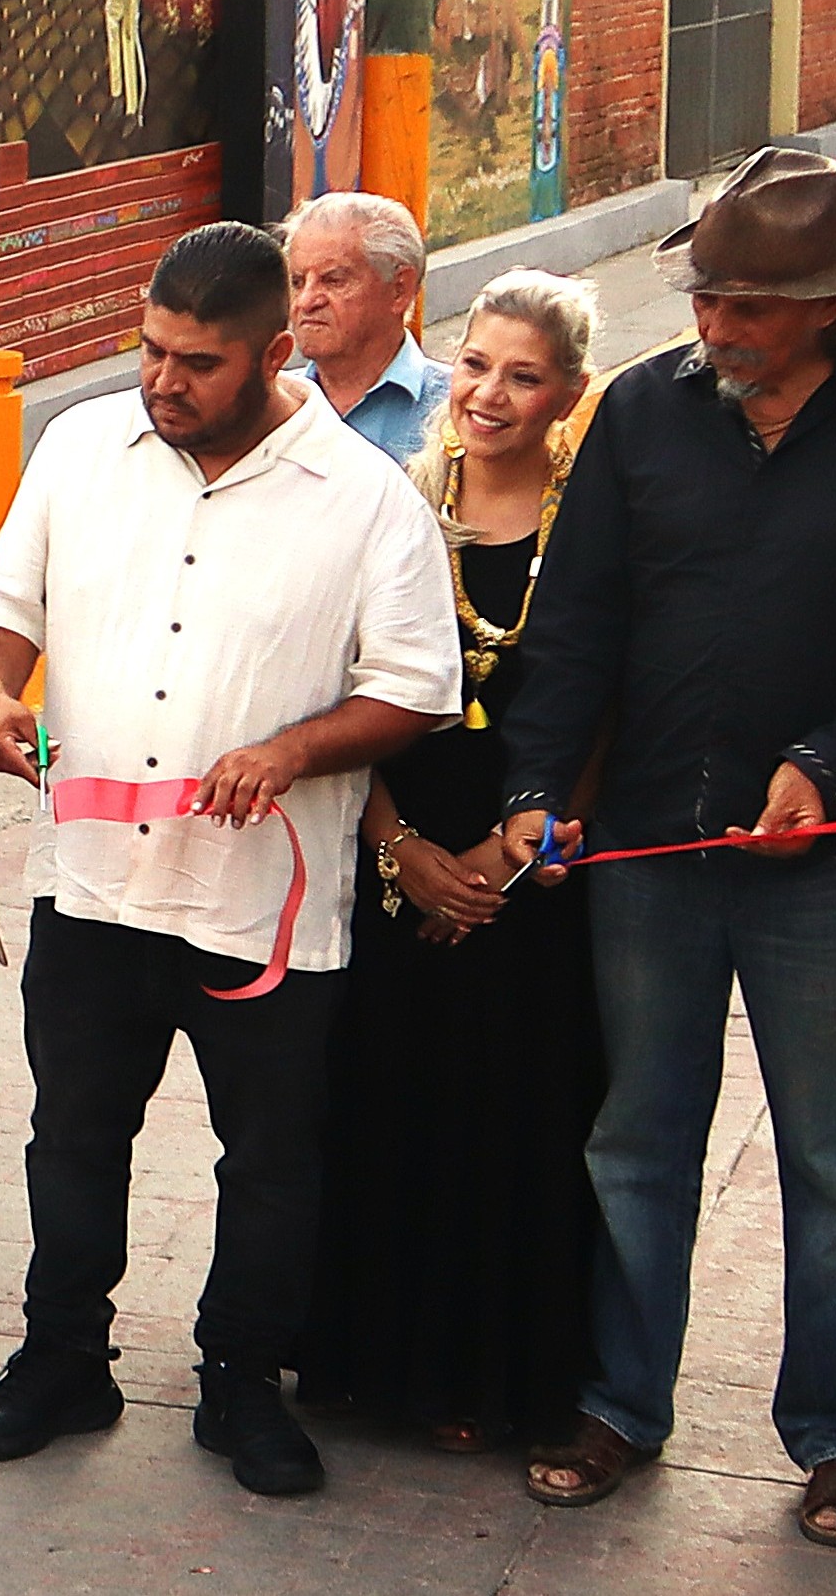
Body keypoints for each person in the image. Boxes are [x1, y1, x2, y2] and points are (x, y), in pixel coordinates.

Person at [481, 146, 836, 1550]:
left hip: (832, 859)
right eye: (707, 296)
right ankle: (618, 1399)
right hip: (649, 847)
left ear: (831, 300)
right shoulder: (644, 412)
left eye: (753, 307)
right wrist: (536, 784)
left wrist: (829, 763)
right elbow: (578, 620)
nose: (719, 326)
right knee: (637, 1139)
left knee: (835, 1157)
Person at [0, 222, 454, 1498]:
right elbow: (4, 613)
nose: (161, 382)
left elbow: (416, 691)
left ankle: (242, 1379)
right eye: (151, 349)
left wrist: (290, 751)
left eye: (197, 363)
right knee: (72, 1136)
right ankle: (64, 1357)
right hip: (96, 885)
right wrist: (1, 700)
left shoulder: (367, 500)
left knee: (272, 1159)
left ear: (276, 353)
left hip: (265, 910)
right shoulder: (80, 449)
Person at [296, 273, 607, 1453]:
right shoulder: (391, 504)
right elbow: (335, 685)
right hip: (392, 860)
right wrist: (405, 850)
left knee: (520, 1124)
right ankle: (372, 1368)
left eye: (524, 376)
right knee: (384, 1106)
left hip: (541, 873)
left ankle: (493, 1377)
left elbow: (606, 704)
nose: (489, 394)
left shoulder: (596, 523)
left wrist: (503, 860)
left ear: (569, 394)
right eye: (475, 364)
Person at [283, 192, 447, 464]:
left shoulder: (458, 413)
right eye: (298, 282)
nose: (306, 301)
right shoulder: (272, 406)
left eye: (333, 280)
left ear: (399, 289)